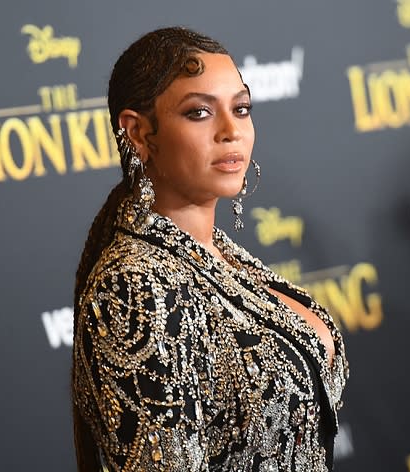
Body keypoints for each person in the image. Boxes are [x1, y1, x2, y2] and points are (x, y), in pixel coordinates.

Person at [71, 27, 348, 472]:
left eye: (241, 109)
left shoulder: (219, 256)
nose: (231, 131)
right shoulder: (133, 287)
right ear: (138, 133)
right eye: (200, 112)